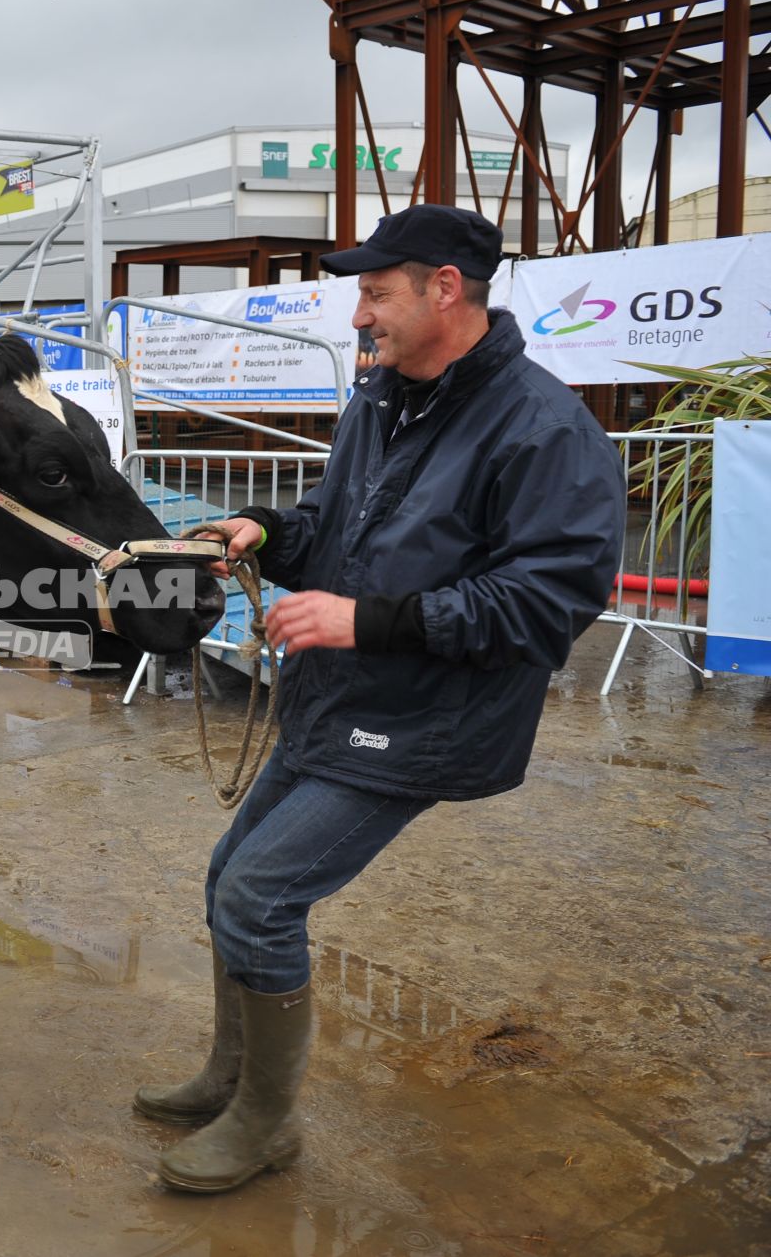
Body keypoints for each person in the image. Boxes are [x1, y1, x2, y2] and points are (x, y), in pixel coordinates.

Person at [137, 204, 624, 1194]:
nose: (359, 313)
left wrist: (369, 622)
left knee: (259, 895)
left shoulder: (544, 428)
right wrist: (266, 532)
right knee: (229, 876)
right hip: (337, 698)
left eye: (374, 291)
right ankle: (230, 1078)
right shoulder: (381, 398)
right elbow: (330, 524)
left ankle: (266, 1125)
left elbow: (550, 602)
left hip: (426, 717)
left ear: (445, 287)